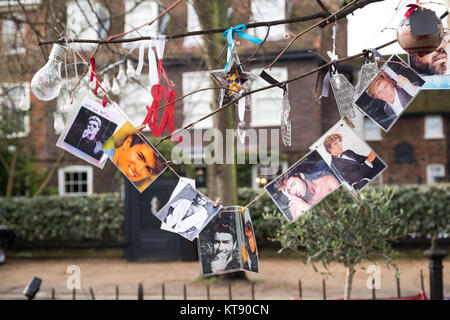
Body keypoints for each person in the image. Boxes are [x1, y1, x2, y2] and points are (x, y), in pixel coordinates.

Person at [103, 122, 164, 191]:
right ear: (127, 143)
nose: (139, 169)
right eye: (140, 156)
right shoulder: (101, 149)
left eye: (148, 169)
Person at [275, 169, 340, 220]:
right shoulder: (295, 207)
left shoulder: (327, 181)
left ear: (301, 176)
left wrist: (308, 207)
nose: (293, 192)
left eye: (293, 184)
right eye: (289, 191)